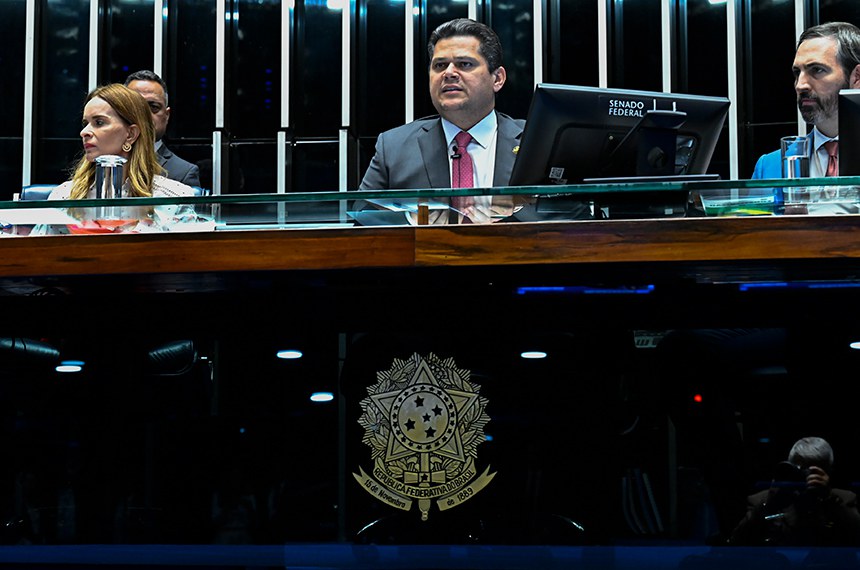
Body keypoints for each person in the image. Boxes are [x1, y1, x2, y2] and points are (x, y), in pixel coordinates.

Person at [358, 19, 532, 224]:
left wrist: (514, 212)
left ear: (497, 78)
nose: (448, 73)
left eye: (464, 64)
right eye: (439, 65)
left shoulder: (535, 141)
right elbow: (361, 218)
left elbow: (572, 213)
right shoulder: (394, 146)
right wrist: (410, 220)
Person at [49, 83, 196, 201]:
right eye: (85, 123)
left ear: (131, 134)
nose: (84, 132)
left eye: (99, 122)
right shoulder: (64, 195)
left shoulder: (174, 197)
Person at [752, 22, 860, 180]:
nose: (800, 85)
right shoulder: (769, 166)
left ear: (857, 76)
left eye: (817, 70)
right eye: (797, 73)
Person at [728, 436, 860, 546]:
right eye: (799, 469)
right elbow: (736, 542)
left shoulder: (843, 499)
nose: (804, 475)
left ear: (828, 472)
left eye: (811, 471)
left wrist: (829, 498)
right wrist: (769, 503)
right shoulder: (763, 500)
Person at [124, 70, 201, 187]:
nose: (145, 114)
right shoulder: (101, 161)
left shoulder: (183, 173)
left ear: (167, 115)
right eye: (136, 106)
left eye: (153, 107)